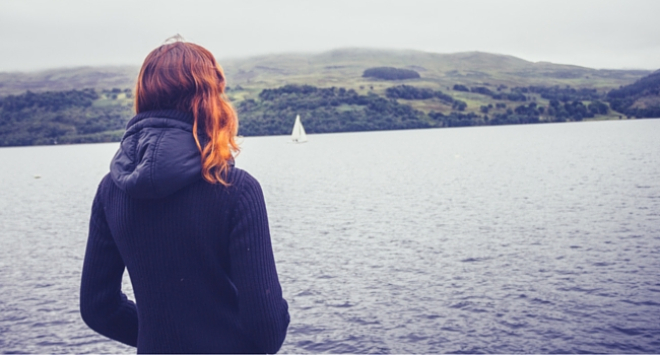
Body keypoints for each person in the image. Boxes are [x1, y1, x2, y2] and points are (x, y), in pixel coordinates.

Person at [79, 38, 290, 354]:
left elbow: (98, 307)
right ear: (209, 100)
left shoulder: (112, 189)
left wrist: (160, 338)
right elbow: (267, 324)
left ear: (144, 97)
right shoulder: (236, 189)